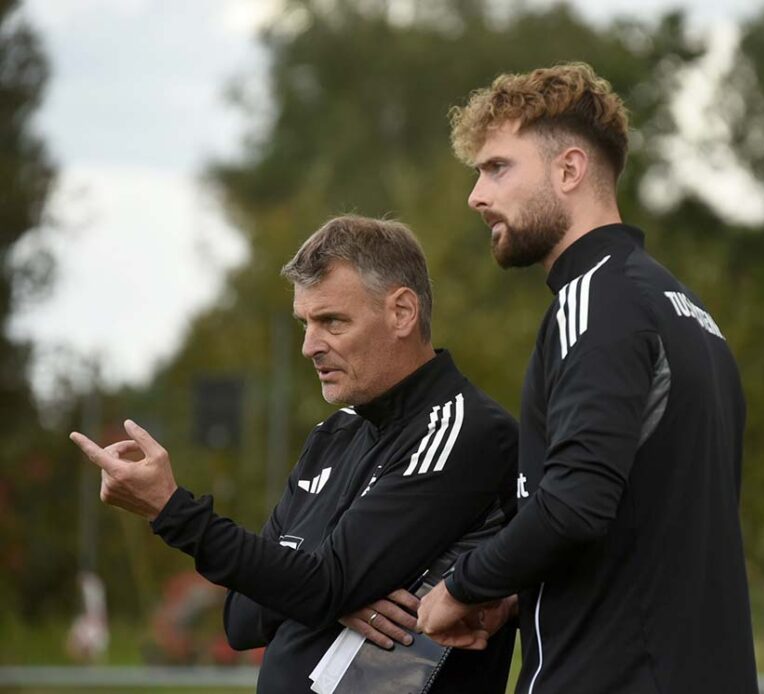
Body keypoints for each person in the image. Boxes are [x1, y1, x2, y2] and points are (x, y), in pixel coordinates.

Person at [417, 63, 759, 693]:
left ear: (569, 170)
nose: (476, 196)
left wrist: (463, 584)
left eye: (497, 168)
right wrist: (514, 592)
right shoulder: (689, 312)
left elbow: (575, 504)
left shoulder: (594, 301)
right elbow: (643, 524)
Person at [71, 215, 518, 693]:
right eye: (305, 323)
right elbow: (241, 619)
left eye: (331, 321)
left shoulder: (462, 429)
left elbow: (320, 583)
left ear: (402, 313)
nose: (309, 346)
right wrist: (328, 596)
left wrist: (171, 509)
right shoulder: (333, 435)